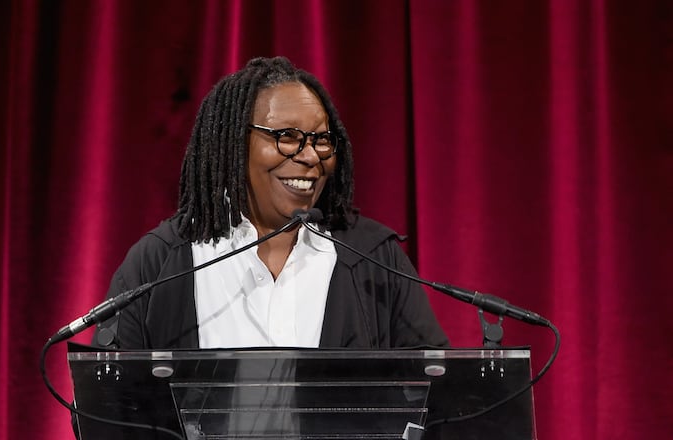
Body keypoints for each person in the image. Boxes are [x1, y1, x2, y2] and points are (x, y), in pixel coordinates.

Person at [94, 56, 448, 350]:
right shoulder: (160, 264)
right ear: (232, 144)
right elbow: (106, 409)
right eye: (287, 137)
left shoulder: (374, 259)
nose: (310, 155)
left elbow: (436, 398)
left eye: (322, 140)